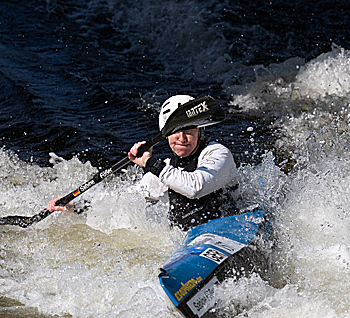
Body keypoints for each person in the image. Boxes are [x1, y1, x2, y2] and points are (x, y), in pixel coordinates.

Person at [47, 95, 239, 229]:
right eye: (175, 131)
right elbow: (121, 200)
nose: (182, 138)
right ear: (166, 135)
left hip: (227, 229)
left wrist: (150, 163)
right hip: (190, 243)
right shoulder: (164, 170)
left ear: (201, 130)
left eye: (189, 130)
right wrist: (75, 206)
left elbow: (196, 187)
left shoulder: (217, 154)